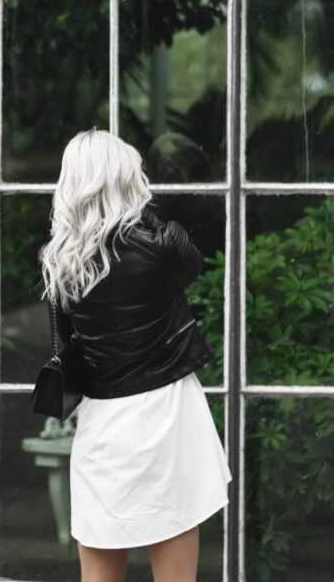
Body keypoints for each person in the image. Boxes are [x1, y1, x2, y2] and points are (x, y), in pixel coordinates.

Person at [37, 128, 232, 582]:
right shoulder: (164, 243)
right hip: (168, 419)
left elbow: (68, 342)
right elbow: (192, 267)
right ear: (129, 181)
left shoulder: (57, 262)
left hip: (104, 430)